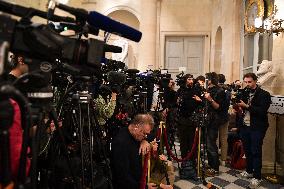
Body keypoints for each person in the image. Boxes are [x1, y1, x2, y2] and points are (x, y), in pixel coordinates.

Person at [236, 73, 271, 189]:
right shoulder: (244, 92)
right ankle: (249, 171)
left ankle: (257, 177)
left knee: (256, 151)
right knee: (247, 150)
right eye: (245, 82)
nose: (247, 84)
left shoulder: (264, 94)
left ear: (255, 81)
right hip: (245, 126)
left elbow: (261, 111)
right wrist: (239, 107)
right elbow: (241, 106)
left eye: (249, 82)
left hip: (257, 127)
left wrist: (246, 106)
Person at [110, 114, 158, 189]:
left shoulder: (137, 134)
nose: (145, 136)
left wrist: (145, 140)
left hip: (141, 179)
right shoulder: (120, 143)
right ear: (136, 127)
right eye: (144, 133)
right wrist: (143, 186)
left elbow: (152, 135)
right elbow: (122, 177)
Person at [176, 74, 201, 180]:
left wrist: (199, 101)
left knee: (193, 145)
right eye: (188, 79)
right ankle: (184, 164)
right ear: (185, 80)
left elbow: (201, 104)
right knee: (183, 144)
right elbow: (177, 104)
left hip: (192, 121)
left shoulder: (196, 90)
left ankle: (193, 166)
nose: (190, 81)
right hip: (182, 121)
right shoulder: (180, 90)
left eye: (192, 79)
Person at [204, 72, 226, 177]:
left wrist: (210, 99)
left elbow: (218, 107)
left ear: (211, 80)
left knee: (211, 145)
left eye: (206, 78)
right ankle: (210, 165)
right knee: (208, 145)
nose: (205, 80)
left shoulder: (220, 91)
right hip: (207, 120)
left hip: (214, 121)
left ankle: (215, 168)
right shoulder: (208, 90)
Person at [217, 74, 231, 165]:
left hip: (216, 116)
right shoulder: (228, 90)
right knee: (224, 138)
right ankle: (224, 159)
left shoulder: (217, 90)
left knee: (215, 138)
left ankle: (215, 158)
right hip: (225, 116)